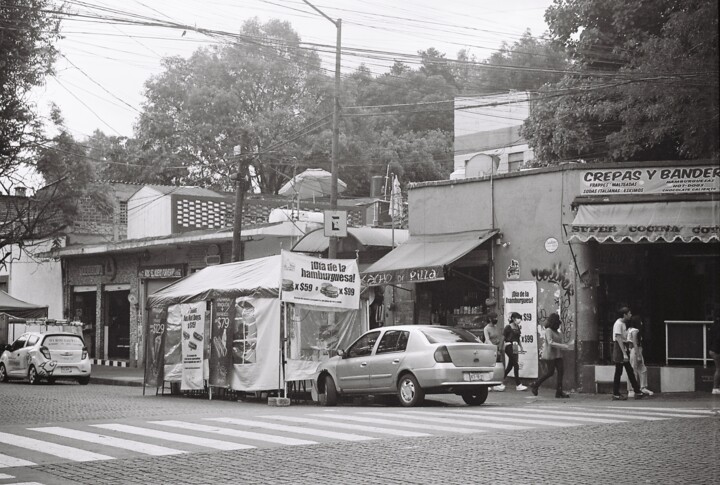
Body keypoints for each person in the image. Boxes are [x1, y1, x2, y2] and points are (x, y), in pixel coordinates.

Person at [530, 313, 573, 398]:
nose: (559, 324)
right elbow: (550, 342)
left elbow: (559, 343)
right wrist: (563, 346)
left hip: (558, 355)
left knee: (561, 372)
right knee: (550, 372)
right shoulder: (548, 330)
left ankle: (559, 392)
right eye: (557, 321)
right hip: (550, 355)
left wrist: (567, 345)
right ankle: (536, 384)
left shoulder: (557, 332)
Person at [612, 307, 645, 401]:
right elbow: (618, 338)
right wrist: (624, 353)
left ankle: (637, 390)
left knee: (629, 370)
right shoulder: (618, 324)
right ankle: (616, 393)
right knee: (619, 371)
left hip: (623, 347)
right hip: (619, 348)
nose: (630, 315)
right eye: (629, 314)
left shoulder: (623, 323)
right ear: (624, 315)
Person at [626, 315, 653, 397]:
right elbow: (635, 343)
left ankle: (642, 387)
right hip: (636, 350)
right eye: (640, 321)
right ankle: (631, 390)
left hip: (635, 350)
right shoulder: (635, 330)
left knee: (641, 368)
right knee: (635, 369)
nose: (641, 322)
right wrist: (638, 355)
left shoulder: (630, 329)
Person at [503, 312, 527, 391]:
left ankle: (499, 380)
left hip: (515, 346)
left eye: (520, 318)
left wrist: (521, 347)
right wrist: (501, 348)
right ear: (513, 319)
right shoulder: (508, 327)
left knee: (510, 366)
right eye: (518, 318)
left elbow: (518, 338)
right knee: (516, 364)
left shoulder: (518, 327)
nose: (519, 320)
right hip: (509, 346)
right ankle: (518, 384)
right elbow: (503, 338)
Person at [484, 312, 505, 391]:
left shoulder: (496, 327)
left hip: (496, 348)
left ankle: (496, 382)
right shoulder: (486, 328)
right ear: (490, 319)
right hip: (489, 348)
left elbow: (497, 336)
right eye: (494, 318)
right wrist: (493, 346)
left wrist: (499, 344)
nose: (496, 319)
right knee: (489, 366)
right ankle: (487, 383)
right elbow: (487, 339)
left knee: (497, 365)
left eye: (496, 318)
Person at [709, 315, 720, 395]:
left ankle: (715, 388)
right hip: (717, 350)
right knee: (718, 369)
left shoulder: (713, 326)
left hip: (713, 350)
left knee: (718, 368)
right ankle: (715, 387)